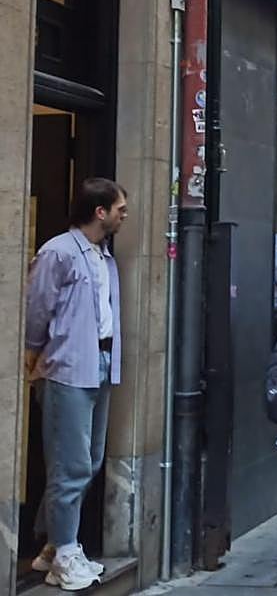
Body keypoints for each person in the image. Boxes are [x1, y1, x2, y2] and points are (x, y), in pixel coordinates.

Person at [25, 178, 127, 590]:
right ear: (99, 211)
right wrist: (34, 352)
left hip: (99, 363)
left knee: (91, 458)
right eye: (120, 208)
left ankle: (55, 545)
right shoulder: (58, 252)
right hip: (67, 366)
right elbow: (36, 307)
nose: (124, 215)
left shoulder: (104, 258)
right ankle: (64, 553)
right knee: (72, 464)